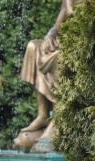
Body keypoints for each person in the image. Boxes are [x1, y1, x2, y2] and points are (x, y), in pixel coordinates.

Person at [19, 0, 76, 133]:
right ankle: (43, 114)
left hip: (80, 47)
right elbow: (57, 26)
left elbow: (77, 23)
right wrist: (49, 36)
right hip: (64, 44)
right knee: (33, 47)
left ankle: (59, 116)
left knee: (57, 57)